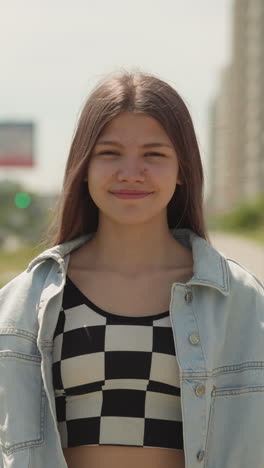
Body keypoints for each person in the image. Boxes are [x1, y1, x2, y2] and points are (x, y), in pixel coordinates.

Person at [0, 70, 264, 468]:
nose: (130, 172)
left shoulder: (239, 299)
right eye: (109, 153)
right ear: (83, 166)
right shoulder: (25, 302)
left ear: (182, 170)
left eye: (153, 154)